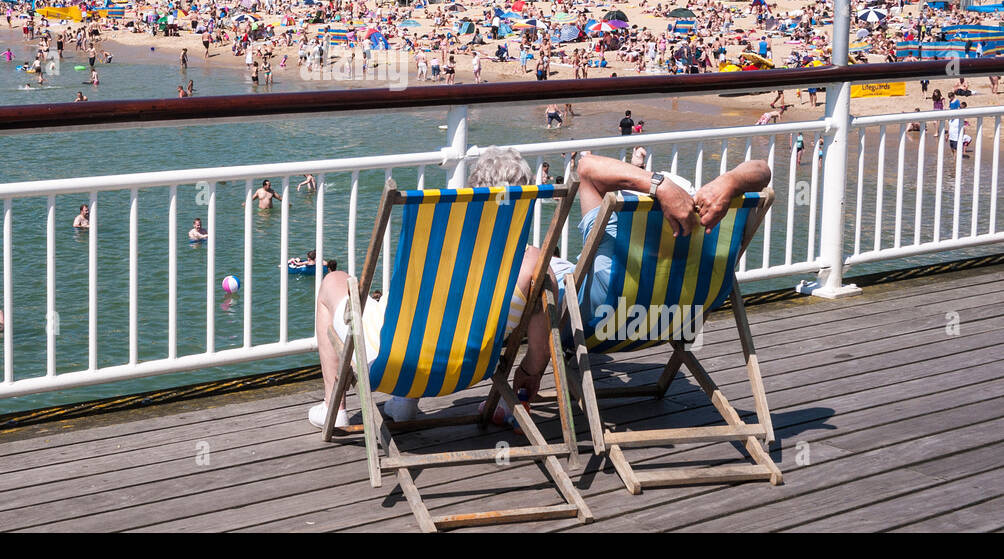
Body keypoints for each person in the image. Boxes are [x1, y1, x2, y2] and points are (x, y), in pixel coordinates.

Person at [510, 151, 772, 404]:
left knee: (531, 261)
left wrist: (658, 185)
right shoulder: (712, 238)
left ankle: (532, 366)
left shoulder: (612, 238)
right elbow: (762, 170)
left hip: (588, 324)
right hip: (672, 323)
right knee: (556, 264)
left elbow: (586, 167)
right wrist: (729, 182)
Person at [310, 146, 545, 429]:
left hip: (390, 360)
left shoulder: (443, 241)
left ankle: (334, 409)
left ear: (474, 190)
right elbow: (543, 333)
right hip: (471, 367)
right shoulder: (533, 264)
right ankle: (404, 401)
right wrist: (530, 369)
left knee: (333, 282)